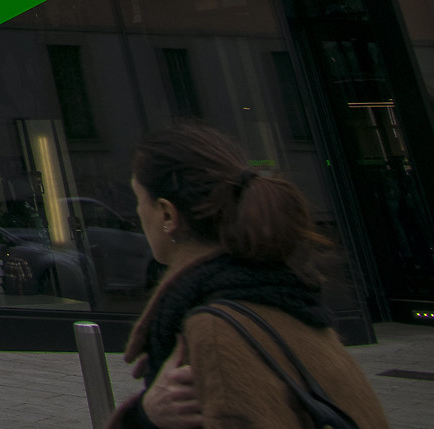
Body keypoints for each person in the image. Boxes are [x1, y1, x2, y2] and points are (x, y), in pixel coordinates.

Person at [110, 122, 388, 429]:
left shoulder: (214, 328)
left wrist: (143, 420)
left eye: (138, 200)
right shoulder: (278, 288)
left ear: (166, 214)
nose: (136, 213)